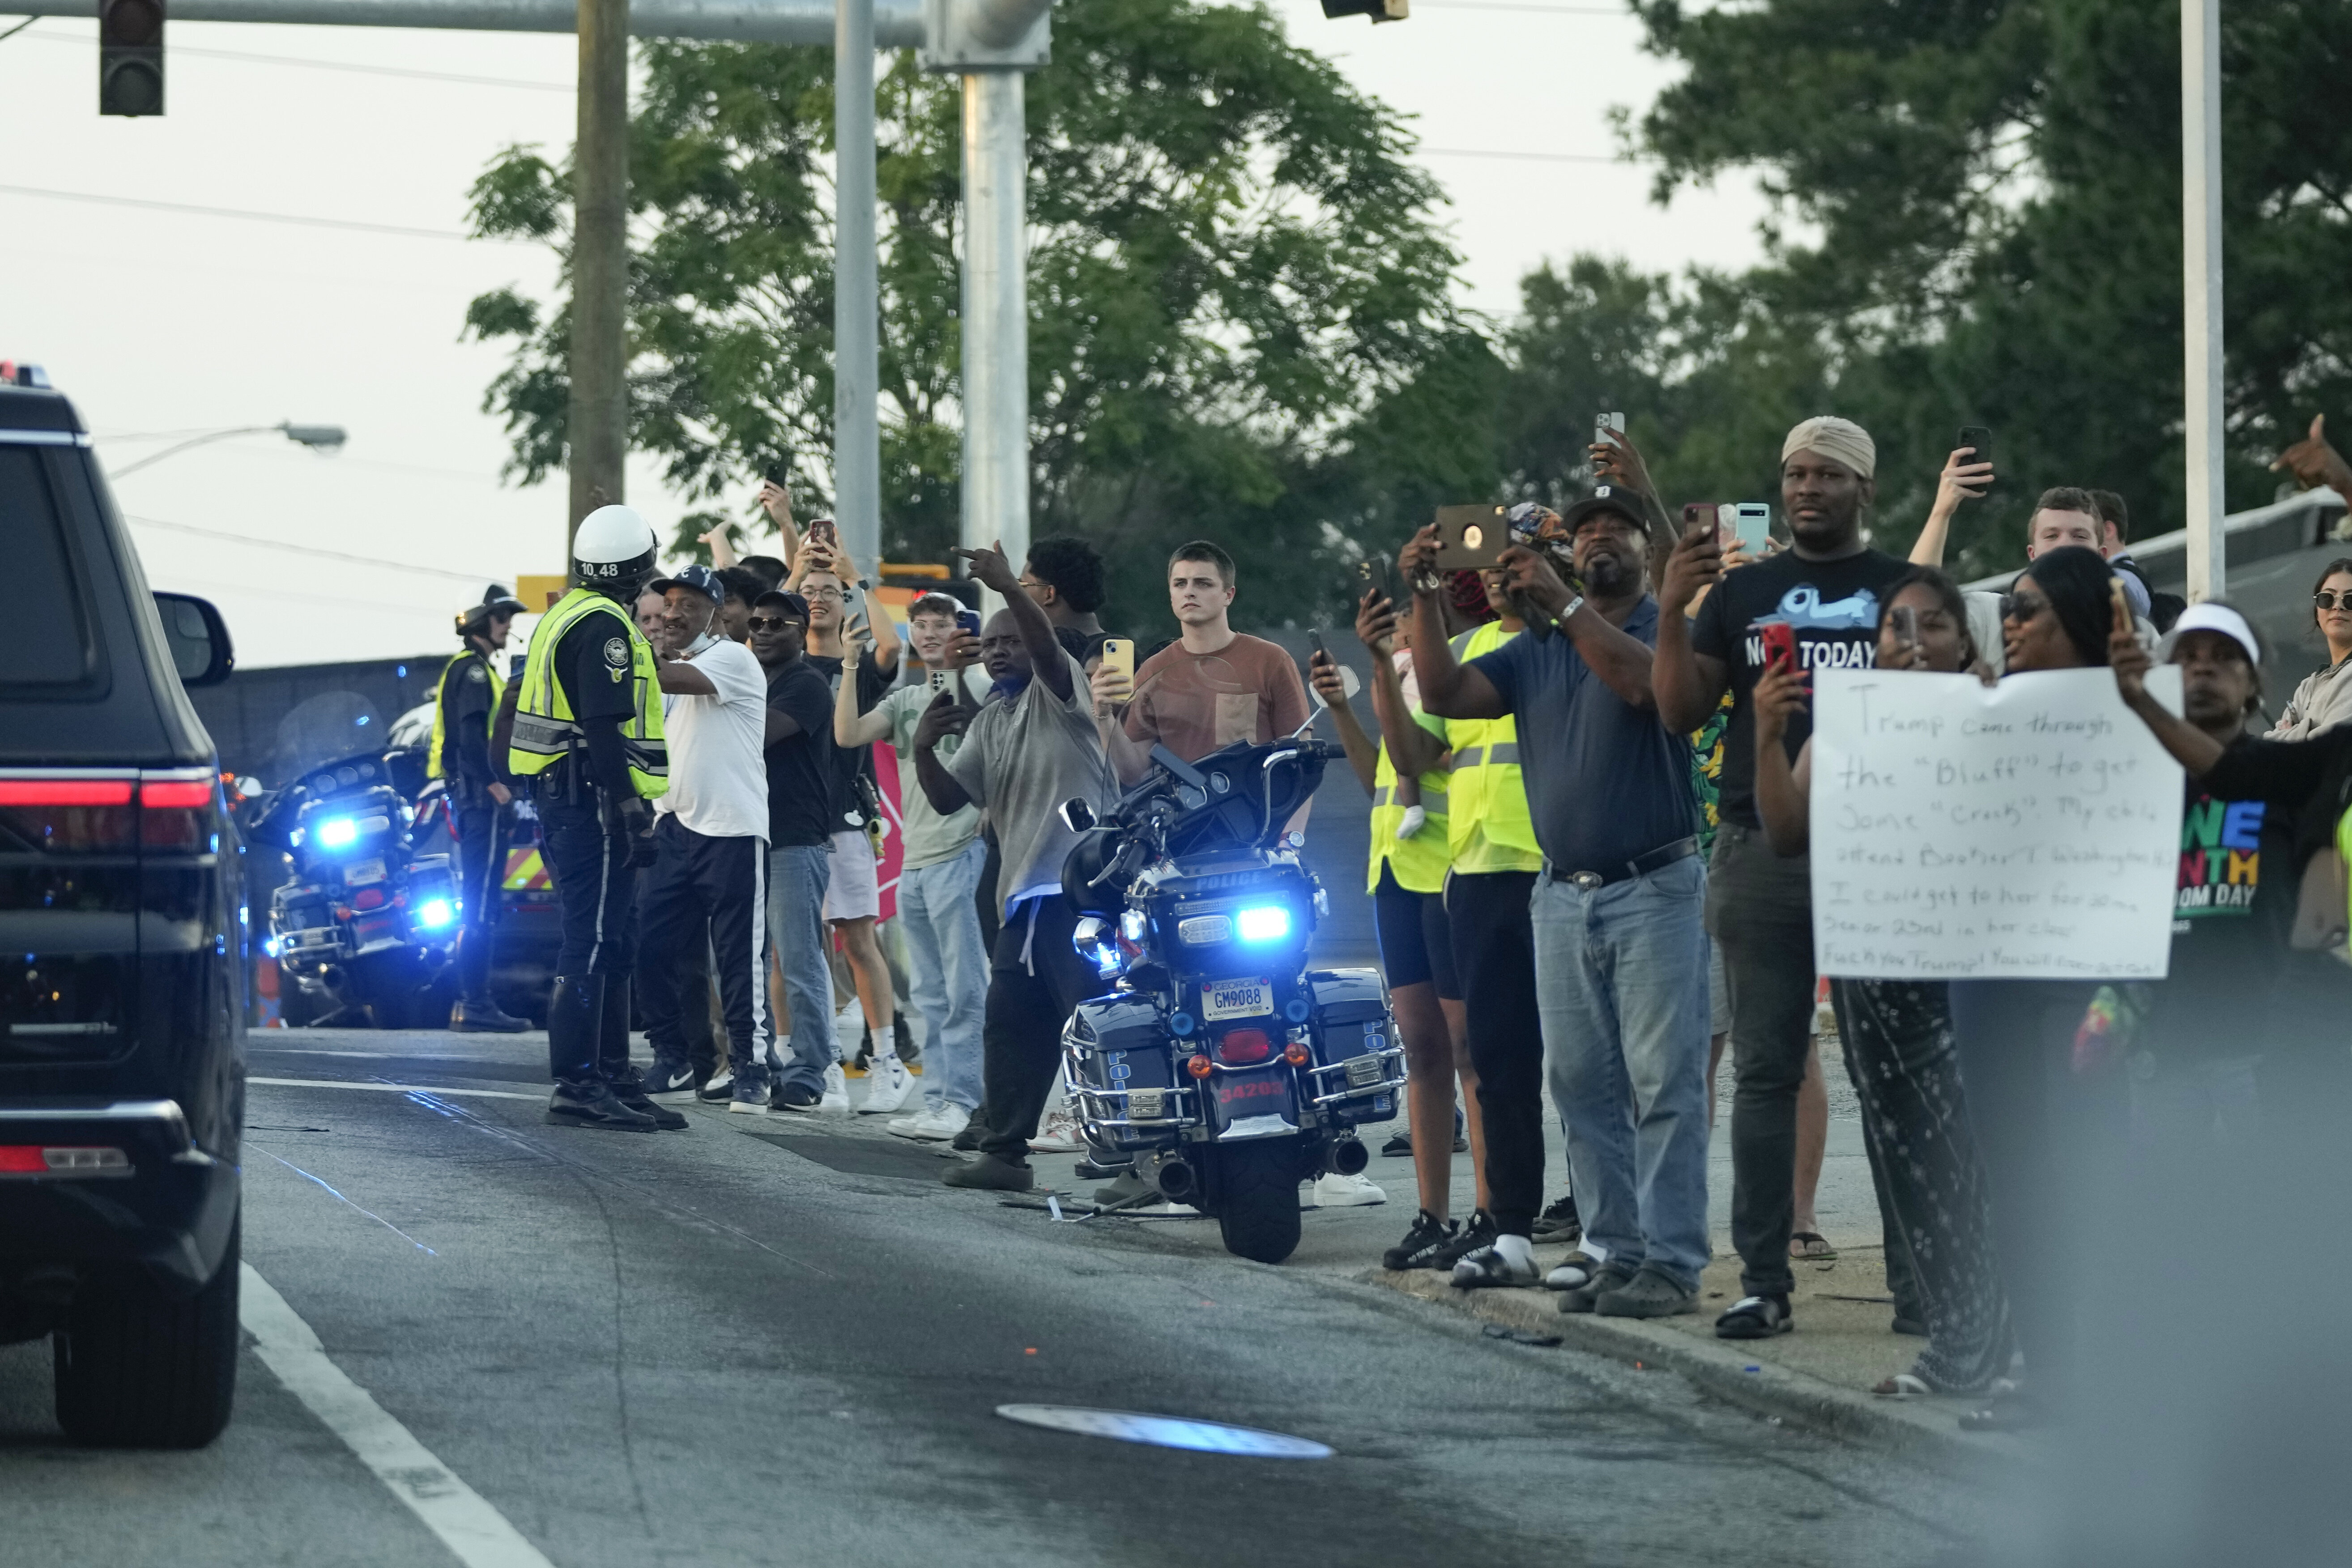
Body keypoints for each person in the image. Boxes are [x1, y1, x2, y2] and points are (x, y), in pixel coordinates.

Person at [1410, 490, 1712, 1317]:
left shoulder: (1662, 626)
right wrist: (1425, 596)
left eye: (1616, 526)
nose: (1598, 536)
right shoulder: (1538, 646)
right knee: (1581, 1084)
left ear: (1647, 550)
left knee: (1664, 1084)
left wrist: (1566, 602)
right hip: (1561, 893)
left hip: (1654, 887)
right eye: (1585, 531)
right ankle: (1613, 1248)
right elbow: (1442, 692)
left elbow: (1645, 690)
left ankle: (1675, 1261)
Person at [1653, 414, 1914, 1340]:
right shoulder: (1745, 592)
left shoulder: (1907, 591)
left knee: (1898, 1074)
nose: (1807, 488)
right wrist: (1678, 609)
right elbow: (1681, 712)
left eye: (1827, 475)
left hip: (1884, 850)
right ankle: (1764, 1280)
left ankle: (1922, 1284)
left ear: (1863, 489)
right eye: (1794, 474)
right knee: (1764, 1067)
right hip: (1759, 846)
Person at [1748, 567, 2014, 1395]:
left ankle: (2000, 1338)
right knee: (1909, 1159)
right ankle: (1952, 1336)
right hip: (1872, 975)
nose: (1909, 641)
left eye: (1930, 625)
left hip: (1972, 974)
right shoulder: (1845, 731)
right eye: (1894, 627)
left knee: (1978, 1155)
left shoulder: (2003, 720)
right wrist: (1764, 736)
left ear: (1964, 639)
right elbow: (1786, 830)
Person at [1943, 544, 2119, 1428]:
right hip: (1991, 970)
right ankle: (2044, 1369)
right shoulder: (1981, 714)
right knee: (2013, 1167)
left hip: (2089, 973)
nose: (2010, 624)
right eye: (2007, 610)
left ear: (2086, 621)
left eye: (2030, 610)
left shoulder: (2135, 712)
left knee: (2091, 1167)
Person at [915, 541, 1119, 1192]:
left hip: (1080, 894)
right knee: (1010, 1029)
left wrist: (1009, 589)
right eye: (992, 644)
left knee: (1096, 1026)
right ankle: (1005, 1153)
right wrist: (924, 747)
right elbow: (950, 797)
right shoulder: (994, 718)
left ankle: (1131, 1155)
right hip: (1024, 902)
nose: (1001, 649)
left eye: (1013, 640)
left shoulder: (1062, 693)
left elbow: (1045, 644)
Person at [1391, 510, 1555, 1283]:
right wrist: (1420, 596)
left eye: (1513, 556)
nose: (1494, 570)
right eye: (1485, 561)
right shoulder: (1470, 649)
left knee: (1592, 1063)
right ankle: (1511, 1225)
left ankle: (1597, 1216)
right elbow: (1423, 738)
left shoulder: (1567, 642)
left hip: (1558, 865)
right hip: (1480, 872)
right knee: (1499, 1058)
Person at [1313, 588, 1487, 1267]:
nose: (1399, 628)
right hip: (1392, 870)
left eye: (1411, 617)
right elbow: (1380, 777)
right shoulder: (1402, 676)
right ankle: (1432, 1217)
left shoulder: (1455, 672)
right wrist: (1338, 708)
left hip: (1451, 868)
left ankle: (1489, 1214)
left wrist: (1390, 674)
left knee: (1467, 1047)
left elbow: (1427, 760)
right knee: (1420, 1048)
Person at [507, 505, 682, 1133]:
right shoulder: (605, 626)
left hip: (572, 798)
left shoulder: (564, 615)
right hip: (594, 802)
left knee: (616, 937)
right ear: (639, 566)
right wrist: (632, 811)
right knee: (595, 939)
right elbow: (603, 728)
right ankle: (580, 1082)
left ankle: (611, 1076)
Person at [835, 593, 987, 1137]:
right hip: (918, 860)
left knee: (966, 989)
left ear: (962, 629)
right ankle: (942, 1100)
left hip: (962, 853)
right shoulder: (906, 701)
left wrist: (967, 674)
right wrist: (851, 664)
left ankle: (965, 1103)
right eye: (919, 625)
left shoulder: (987, 690)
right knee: (928, 992)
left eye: (939, 624)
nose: (926, 634)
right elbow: (848, 735)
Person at [634, 565, 777, 1112]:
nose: (672, 613)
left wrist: (623, 644)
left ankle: (751, 1068)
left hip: (732, 829)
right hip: (675, 825)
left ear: (713, 614)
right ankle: (674, 1057)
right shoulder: (676, 666)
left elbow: (668, 679)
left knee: (738, 958)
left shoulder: (732, 657)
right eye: (668, 604)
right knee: (650, 945)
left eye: (687, 606)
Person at [799, 531, 906, 1100]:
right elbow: (759, 628)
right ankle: (815, 1062)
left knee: (858, 938)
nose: (818, 598)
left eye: (828, 592)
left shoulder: (857, 664)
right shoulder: (781, 664)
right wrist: (797, 575)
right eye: (809, 592)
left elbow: (893, 648)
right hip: (791, 823)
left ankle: (886, 1059)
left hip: (845, 820)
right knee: (797, 945)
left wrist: (857, 580)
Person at [1098, 540, 1311, 795]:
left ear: (1228, 595)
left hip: (1257, 824)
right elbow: (1131, 774)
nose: (1189, 592)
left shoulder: (1271, 660)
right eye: (1180, 584)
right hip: (1183, 827)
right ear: (1171, 594)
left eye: (1203, 583)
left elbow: (1300, 762)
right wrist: (1102, 716)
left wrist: (1290, 834)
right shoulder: (1152, 671)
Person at [747, 589, 843, 1114]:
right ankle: (761, 1062)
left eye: (777, 623)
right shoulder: (753, 680)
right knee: (751, 960)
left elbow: (753, 735)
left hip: (794, 837)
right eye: (757, 622)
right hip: (748, 834)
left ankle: (810, 1070)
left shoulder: (806, 685)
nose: (763, 630)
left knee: (800, 960)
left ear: (802, 628)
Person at [431, 584, 531, 1033]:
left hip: (473, 801)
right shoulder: (472, 673)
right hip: (479, 801)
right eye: (503, 617)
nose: (509, 625)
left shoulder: (472, 669)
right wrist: (497, 788)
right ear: (482, 622)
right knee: (480, 903)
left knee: (481, 902)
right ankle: (476, 1003)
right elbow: (471, 741)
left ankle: (474, 1001)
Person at [2269, 558, 2352, 741]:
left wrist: (2294, 731)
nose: (2337, 606)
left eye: (2350, 600)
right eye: (2327, 598)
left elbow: (2326, 751)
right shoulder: (2308, 687)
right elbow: (2271, 748)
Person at [1020, 534, 1112, 668]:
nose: (1018, 594)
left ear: (1049, 594)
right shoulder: (1121, 653)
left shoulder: (1047, 659)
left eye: (1023, 585)